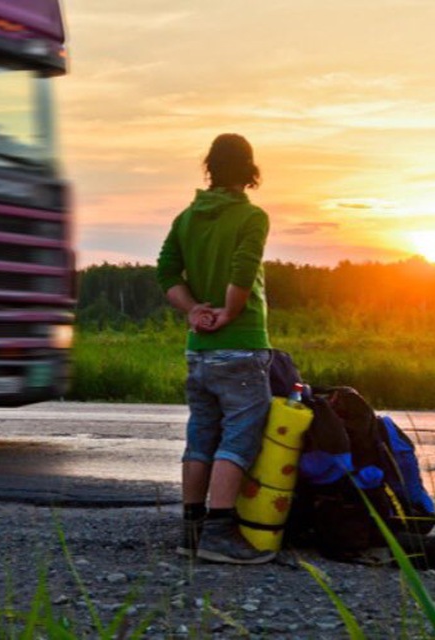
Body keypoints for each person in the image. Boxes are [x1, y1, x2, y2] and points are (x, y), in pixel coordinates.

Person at [156, 133, 274, 565]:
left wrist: (192, 311)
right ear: (249, 170)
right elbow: (243, 270)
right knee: (240, 434)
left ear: (210, 167)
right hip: (239, 344)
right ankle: (221, 531)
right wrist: (228, 312)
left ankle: (191, 530)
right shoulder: (252, 217)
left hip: (198, 349)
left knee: (201, 433)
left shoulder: (187, 217)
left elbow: (166, 270)